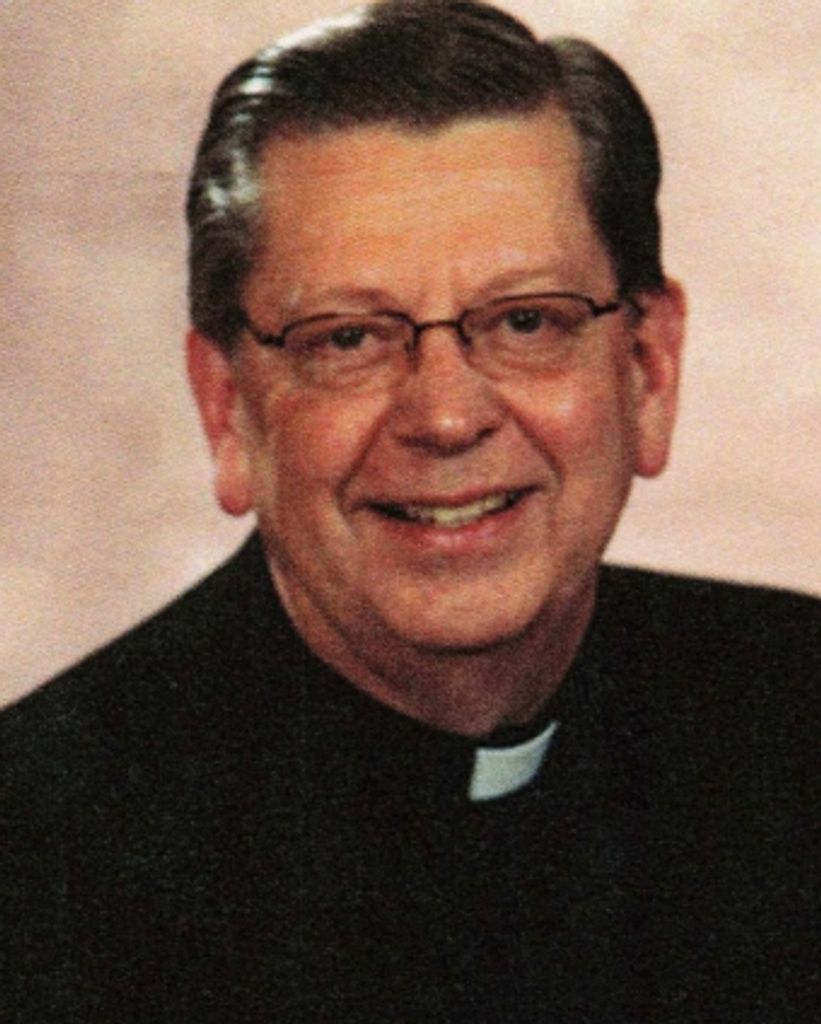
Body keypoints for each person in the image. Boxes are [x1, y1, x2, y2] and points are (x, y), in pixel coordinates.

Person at [2, 1, 818, 1020]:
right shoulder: (35, 860)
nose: (444, 416)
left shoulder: (797, 713)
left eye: (527, 321)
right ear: (227, 409)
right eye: (347, 339)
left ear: (646, 371)